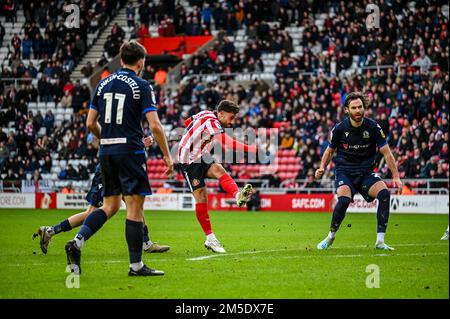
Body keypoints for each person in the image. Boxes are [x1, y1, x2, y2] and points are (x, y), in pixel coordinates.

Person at [65, 40, 174, 277]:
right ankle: (136, 266)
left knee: (110, 206)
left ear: (121, 60)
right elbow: (154, 125)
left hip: (106, 151)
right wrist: (167, 156)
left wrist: (107, 138)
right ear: (141, 62)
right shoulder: (142, 85)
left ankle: (77, 241)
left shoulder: (102, 84)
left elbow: (90, 123)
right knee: (134, 208)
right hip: (130, 152)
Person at [33, 139, 170, 255]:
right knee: (91, 214)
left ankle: (146, 243)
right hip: (109, 170)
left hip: (122, 169)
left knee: (135, 205)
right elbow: (116, 143)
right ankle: (51, 231)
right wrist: (141, 143)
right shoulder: (117, 119)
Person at [315, 92, 403, 251]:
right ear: (347, 110)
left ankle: (380, 241)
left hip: (366, 173)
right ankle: (331, 236)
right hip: (345, 172)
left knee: (384, 194)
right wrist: (322, 167)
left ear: (365, 108)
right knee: (343, 200)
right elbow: (329, 151)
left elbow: (387, 152)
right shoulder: (340, 128)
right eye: (354, 108)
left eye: (360, 107)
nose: (358, 110)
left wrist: (396, 177)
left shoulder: (373, 127)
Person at [177, 100, 256, 253]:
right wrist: (252, 149)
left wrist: (190, 134)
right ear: (221, 113)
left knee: (220, 170)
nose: (232, 122)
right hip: (188, 160)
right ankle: (210, 238)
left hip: (201, 154)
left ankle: (238, 195)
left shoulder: (206, 113)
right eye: (231, 117)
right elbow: (229, 144)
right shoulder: (213, 122)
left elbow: (187, 121)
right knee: (201, 197)